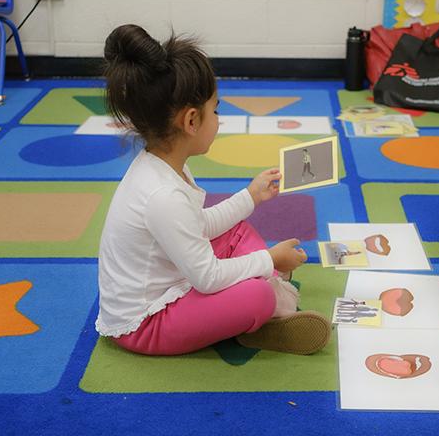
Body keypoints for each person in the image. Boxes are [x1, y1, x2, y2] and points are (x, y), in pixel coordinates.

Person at [95, 24, 331, 356]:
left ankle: (262, 305)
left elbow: (198, 227)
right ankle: (265, 308)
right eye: (216, 110)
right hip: (147, 324)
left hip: (174, 277)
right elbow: (206, 276)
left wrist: (249, 196)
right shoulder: (162, 196)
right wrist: (269, 259)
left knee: (237, 231)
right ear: (191, 121)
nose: (219, 119)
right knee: (257, 296)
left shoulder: (164, 165)